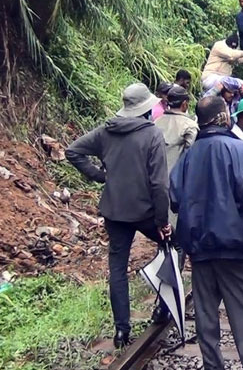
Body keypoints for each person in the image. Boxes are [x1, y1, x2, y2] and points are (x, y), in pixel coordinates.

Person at [169, 96, 243, 370]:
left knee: (206, 315)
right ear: (223, 117)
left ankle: (213, 366)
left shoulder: (189, 157)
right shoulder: (240, 151)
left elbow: (174, 197)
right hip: (236, 246)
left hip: (200, 248)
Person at [65, 83, 172, 348]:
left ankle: (121, 331)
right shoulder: (152, 135)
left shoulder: (106, 131)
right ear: (146, 109)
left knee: (117, 269)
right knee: (172, 248)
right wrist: (163, 221)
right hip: (146, 211)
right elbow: (159, 184)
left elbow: (73, 151)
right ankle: (163, 308)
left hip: (115, 211)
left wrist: (101, 176)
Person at [154, 85, 199, 227]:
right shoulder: (190, 126)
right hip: (177, 181)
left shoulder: (155, 123)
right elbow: (191, 157)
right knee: (175, 222)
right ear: (185, 104)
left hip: (155, 179)